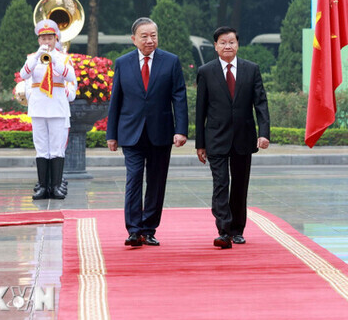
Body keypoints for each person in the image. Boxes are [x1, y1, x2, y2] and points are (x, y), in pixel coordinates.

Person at [107, 17, 188, 247]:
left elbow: (179, 97)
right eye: (144, 36)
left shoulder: (171, 61)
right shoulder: (123, 63)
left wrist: (181, 130)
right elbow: (116, 100)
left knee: (156, 181)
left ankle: (149, 228)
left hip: (161, 132)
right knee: (133, 179)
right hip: (131, 133)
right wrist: (111, 134)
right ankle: (134, 230)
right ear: (134, 39)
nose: (150, 40)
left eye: (153, 35)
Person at [196, 26, 270, 249]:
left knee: (239, 185)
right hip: (216, 138)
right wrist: (200, 143)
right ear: (216, 46)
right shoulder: (206, 71)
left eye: (231, 42)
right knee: (220, 184)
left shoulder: (251, 69)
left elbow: (261, 103)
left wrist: (264, 133)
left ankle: (237, 229)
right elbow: (201, 111)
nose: (227, 46)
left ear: (237, 44)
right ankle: (224, 230)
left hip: (243, 137)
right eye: (222, 42)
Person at [19, 20, 77, 200]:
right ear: (38, 40)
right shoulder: (33, 57)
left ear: (55, 39)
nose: (46, 41)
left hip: (58, 108)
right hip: (38, 109)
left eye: (50, 38)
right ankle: (43, 186)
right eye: (43, 38)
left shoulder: (64, 58)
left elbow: (70, 76)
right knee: (42, 148)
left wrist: (54, 61)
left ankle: (56, 186)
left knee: (57, 149)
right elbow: (23, 75)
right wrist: (37, 57)